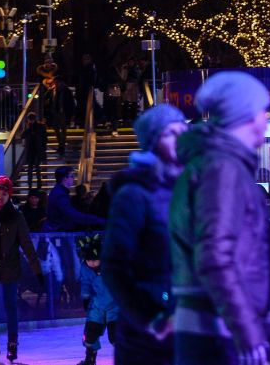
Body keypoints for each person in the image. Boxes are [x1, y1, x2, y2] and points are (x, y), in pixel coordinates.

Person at [170, 72, 270, 364]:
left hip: (214, 323)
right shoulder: (222, 168)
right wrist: (245, 327)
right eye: (262, 110)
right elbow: (214, 256)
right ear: (245, 114)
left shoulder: (215, 163)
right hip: (217, 330)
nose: (265, 118)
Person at [103, 103, 187, 365]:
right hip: (146, 341)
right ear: (153, 142)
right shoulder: (135, 194)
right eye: (170, 133)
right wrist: (150, 318)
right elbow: (114, 265)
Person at [0, 176, 43, 363]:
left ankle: (12, 345)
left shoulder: (16, 217)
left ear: (9, 196)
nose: (0, 197)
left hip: (10, 269)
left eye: (4, 194)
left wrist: (36, 269)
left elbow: (27, 245)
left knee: (10, 307)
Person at [76, 233, 119, 365]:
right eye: (89, 260)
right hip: (96, 307)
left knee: (116, 336)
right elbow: (86, 284)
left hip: (114, 307)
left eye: (96, 260)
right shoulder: (85, 268)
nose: (92, 263)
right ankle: (90, 358)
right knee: (90, 334)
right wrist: (85, 298)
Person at [42, 166, 105, 233]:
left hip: (58, 231)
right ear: (65, 178)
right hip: (57, 233)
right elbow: (72, 214)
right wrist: (97, 220)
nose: (73, 178)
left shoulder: (60, 191)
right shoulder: (60, 194)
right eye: (71, 176)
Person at [21, 112, 47, 189]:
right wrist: (27, 128)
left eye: (31, 120)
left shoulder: (40, 126)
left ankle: (38, 185)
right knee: (31, 169)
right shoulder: (30, 127)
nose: (30, 121)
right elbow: (23, 136)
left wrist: (43, 148)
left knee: (36, 168)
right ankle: (32, 185)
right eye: (30, 120)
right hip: (31, 151)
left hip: (36, 150)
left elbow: (44, 138)